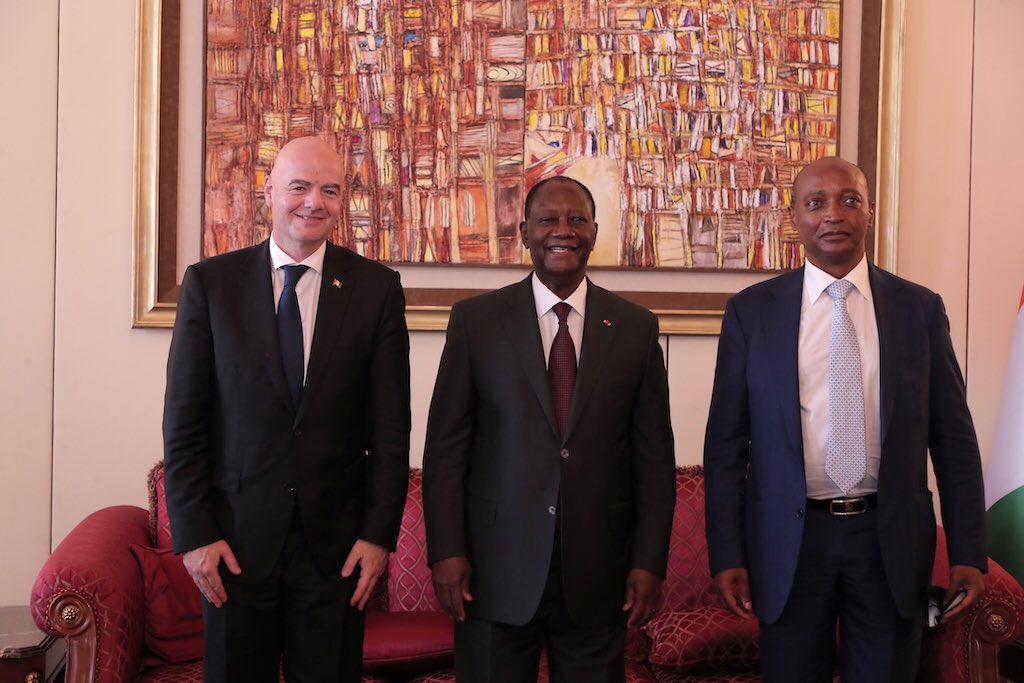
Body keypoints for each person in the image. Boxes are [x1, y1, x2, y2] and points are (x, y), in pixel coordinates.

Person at [704, 157, 987, 682]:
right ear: (793, 216)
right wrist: (726, 554)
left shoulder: (919, 309)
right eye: (816, 203)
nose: (833, 214)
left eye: (849, 200)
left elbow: (954, 440)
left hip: (888, 539)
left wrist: (969, 549)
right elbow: (725, 446)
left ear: (869, 211)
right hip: (789, 541)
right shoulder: (752, 311)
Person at [162, 136, 411, 682]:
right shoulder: (211, 285)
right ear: (269, 191)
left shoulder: (376, 289)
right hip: (233, 549)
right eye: (299, 187)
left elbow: (390, 432)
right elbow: (184, 427)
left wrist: (377, 537)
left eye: (330, 190)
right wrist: (196, 536)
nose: (314, 202)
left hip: (336, 554)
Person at [422, 176, 676, 682]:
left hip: (598, 571)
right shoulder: (476, 321)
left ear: (594, 232)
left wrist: (649, 562)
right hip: (494, 569)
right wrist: (446, 552)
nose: (564, 230)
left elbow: (653, 459)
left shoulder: (635, 327)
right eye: (548, 220)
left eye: (577, 219)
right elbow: (446, 450)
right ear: (525, 232)